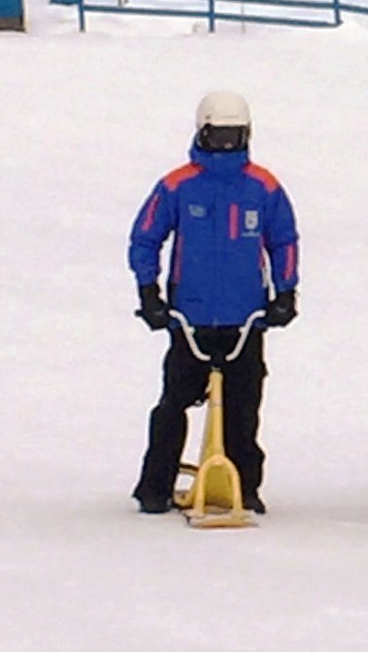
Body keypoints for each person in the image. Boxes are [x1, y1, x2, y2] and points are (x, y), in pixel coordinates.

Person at [128, 91, 300, 515]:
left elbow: (284, 240)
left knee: (243, 409)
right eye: (217, 135)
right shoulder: (177, 185)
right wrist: (149, 294)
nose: (225, 144)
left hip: (245, 319)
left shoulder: (263, 185)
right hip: (191, 316)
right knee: (173, 405)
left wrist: (285, 292)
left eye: (233, 136)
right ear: (202, 131)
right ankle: (155, 485)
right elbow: (146, 237)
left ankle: (244, 484)